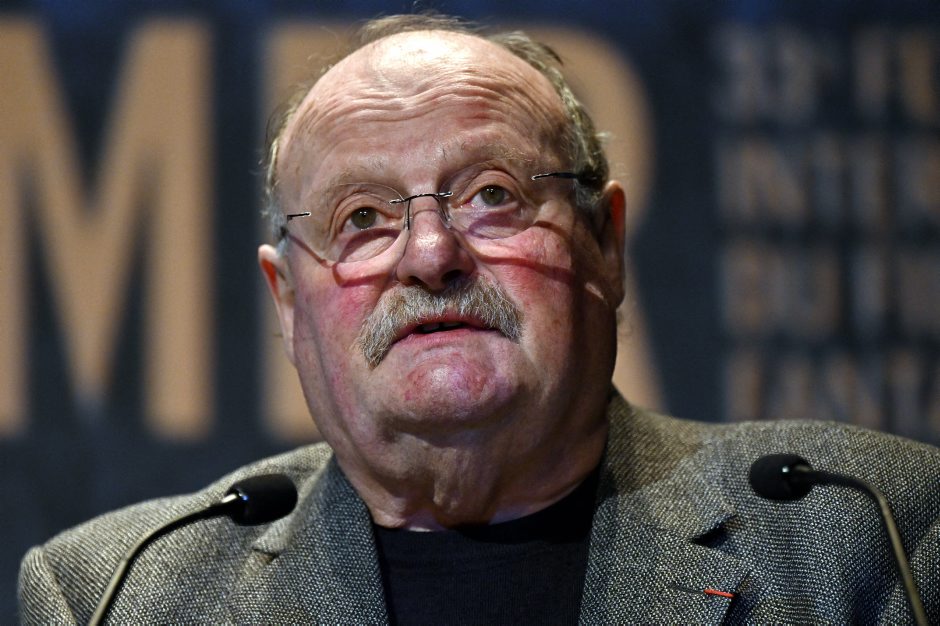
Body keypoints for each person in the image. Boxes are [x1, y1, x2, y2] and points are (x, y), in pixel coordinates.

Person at [18, 13, 940, 625]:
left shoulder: (871, 536)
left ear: (605, 243)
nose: (431, 254)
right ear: (288, 299)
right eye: (362, 218)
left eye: (493, 195)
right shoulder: (120, 597)